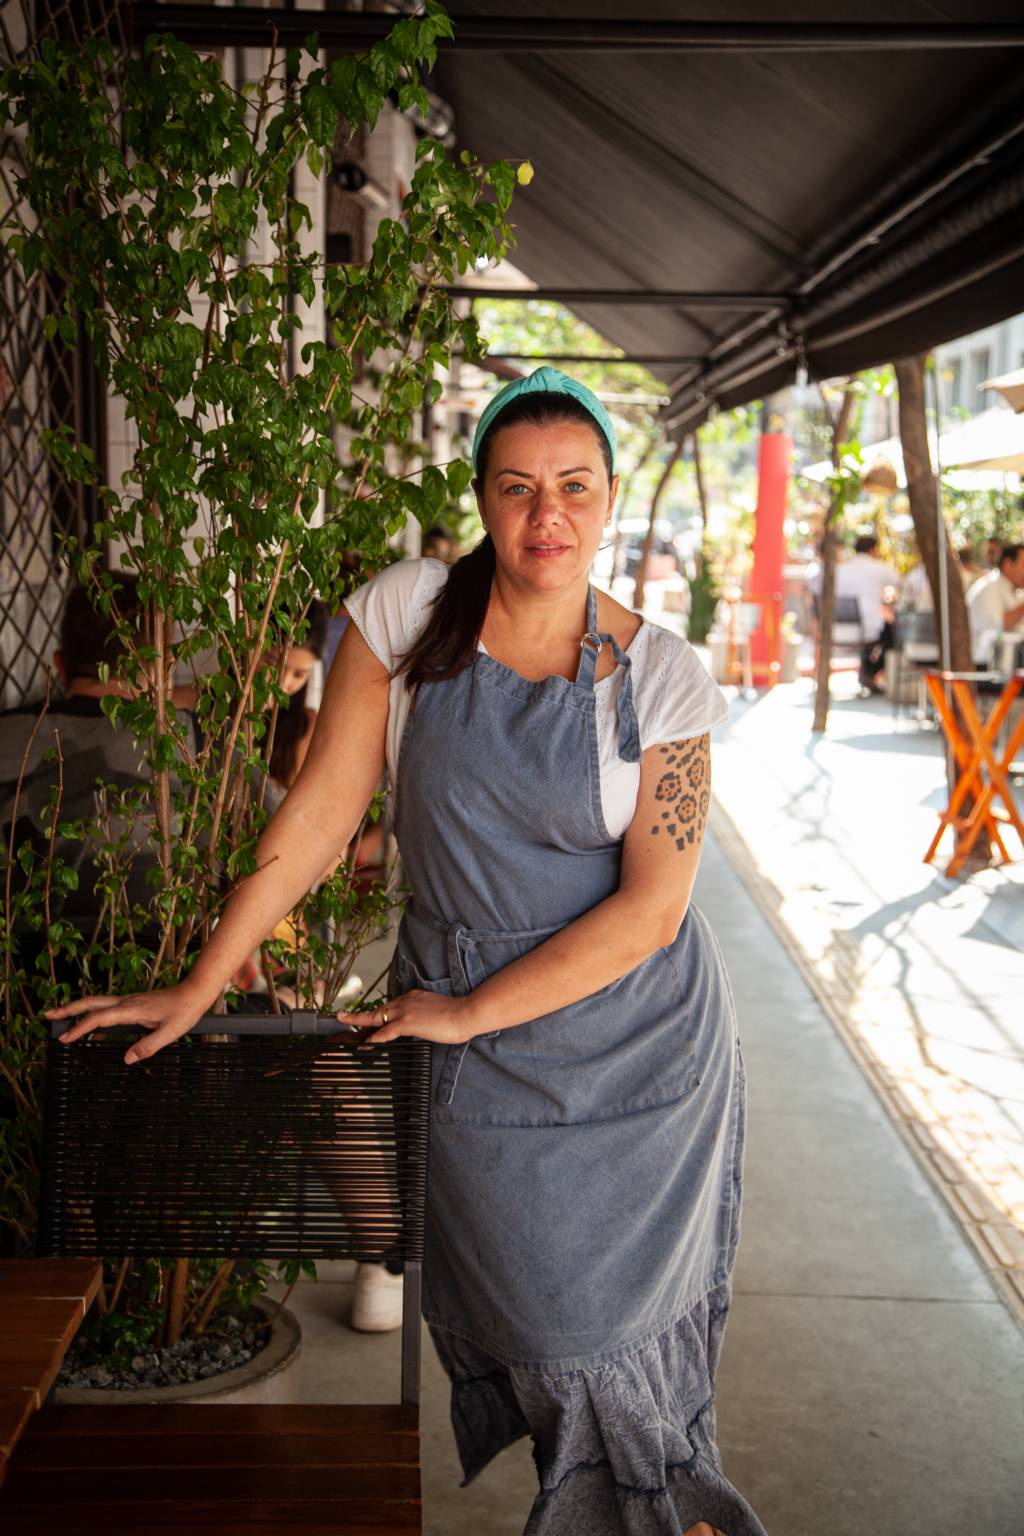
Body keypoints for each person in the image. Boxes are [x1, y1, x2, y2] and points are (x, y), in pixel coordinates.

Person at [47, 365, 765, 1536]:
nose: (549, 517)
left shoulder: (662, 679)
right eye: (519, 487)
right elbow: (321, 820)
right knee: (543, 1337)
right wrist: (205, 977)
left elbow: (650, 913)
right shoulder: (407, 616)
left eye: (575, 487)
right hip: (475, 1060)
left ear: (611, 497)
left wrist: (469, 1011)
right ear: (481, 497)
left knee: (614, 1361)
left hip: (635, 1057)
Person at [834, 532, 900, 693]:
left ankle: (867, 673)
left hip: (837, 628)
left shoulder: (839, 569)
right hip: (868, 628)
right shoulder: (878, 568)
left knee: (886, 631)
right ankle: (870, 672)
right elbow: (899, 580)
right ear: (873, 550)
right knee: (893, 636)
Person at [966, 542, 1024, 664]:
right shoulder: (988, 588)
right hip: (986, 667)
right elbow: (998, 627)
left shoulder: (1015, 591)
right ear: (1008, 564)